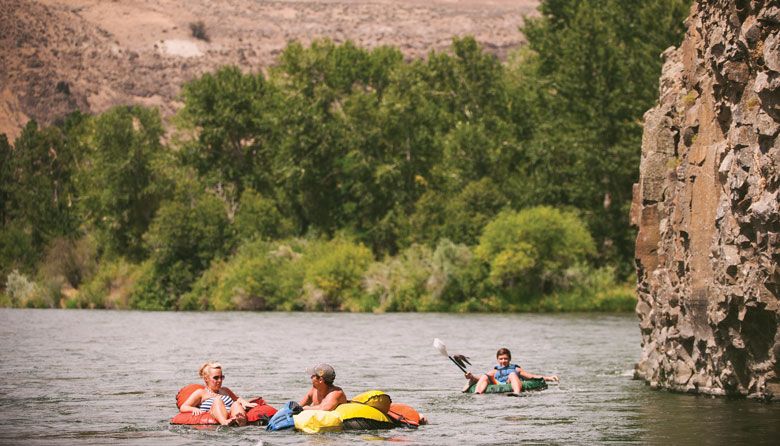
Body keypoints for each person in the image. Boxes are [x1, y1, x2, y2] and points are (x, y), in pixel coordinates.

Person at [179, 361, 257, 426]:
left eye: (221, 377)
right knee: (217, 400)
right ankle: (224, 423)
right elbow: (184, 407)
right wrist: (194, 409)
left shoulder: (225, 390)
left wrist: (245, 403)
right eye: (216, 378)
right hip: (214, 413)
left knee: (236, 404)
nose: (219, 380)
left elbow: (237, 399)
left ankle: (241, 422)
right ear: (206, 379)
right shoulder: (201, 393)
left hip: (231, 414)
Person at [463, 347, 559, 394]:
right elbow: (480, 378)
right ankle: (478, 393)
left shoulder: (515, 369)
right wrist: (471, 377)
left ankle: (516, 393)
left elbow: (530, 376)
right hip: (497, 383)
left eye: (505, 358)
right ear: (497, 359)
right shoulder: (495, 370)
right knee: (485, 375)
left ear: (509, 359)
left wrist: (549, 378)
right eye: (501, 359)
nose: (503, 361)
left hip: (510, 382)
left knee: (512, 374)